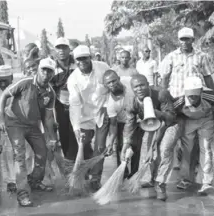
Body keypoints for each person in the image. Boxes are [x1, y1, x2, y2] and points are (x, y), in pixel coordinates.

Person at [0, 58, 59, 207]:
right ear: (38, 69)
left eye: (49, 71)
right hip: (15, 123)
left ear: (53, 73)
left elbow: (49, 117)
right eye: (43, 69)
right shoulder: (25, 83)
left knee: (42, 153)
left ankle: (34, 181)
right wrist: (0, 118)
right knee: (20, 156)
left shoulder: (50, 93)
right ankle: (22, 194)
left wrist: (51, 138)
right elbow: (4, 95)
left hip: (33, 126)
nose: (46, 73)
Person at [105, 73, 175, 200]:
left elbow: (171, 118)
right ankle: (150, 179)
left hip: (170, 124)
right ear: (132, 89)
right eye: (136, 87)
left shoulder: (161, 94)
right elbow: (129, 125)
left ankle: (160, 183)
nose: (139, 89)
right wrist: (126, 144)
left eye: (142, 85)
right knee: (146, 153)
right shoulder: (132, 102)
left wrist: (158, 113)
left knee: (164, 149)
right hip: (151, 124)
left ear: (148, 85)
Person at [159, 27, 214, 176]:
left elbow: (208, 77)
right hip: (176, 102)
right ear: (179, 41)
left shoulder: (201, 56)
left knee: (192, 139)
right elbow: (164, 79)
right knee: (175, 136)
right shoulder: (171, 57)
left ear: (192, 40)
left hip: (195, 102)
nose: (184, 42)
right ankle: (173, 167)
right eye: (182, 39)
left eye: (187, 39)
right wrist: (164, 101)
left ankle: (192, 168)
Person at [173, 76, 214, 194]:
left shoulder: (211, 96)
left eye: (195, 95)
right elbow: (174, 116)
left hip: (206, 120)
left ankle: (206, 181)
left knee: (206, 148)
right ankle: (185, 178)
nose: (192, 98)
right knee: (188, 149)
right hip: (188, 121)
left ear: (201, 92)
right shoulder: (178, 101)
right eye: (189, 95)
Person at [67, 45, 111, 191]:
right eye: (78, 60)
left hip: (102, 111)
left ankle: (95, 178)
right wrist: (76, 127)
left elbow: (113, 83)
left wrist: (111, 106)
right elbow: (74, 104)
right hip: (84, 116)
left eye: (84, 58)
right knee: (83, 144)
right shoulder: (73, 79)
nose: (82, 62)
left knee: (100, 147)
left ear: (90, 57)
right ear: (75, 61)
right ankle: (83, 173)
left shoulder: (103, 67)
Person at [50, 37, 78, 160]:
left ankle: (81, 164)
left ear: (69, 49)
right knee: (64, 135)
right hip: (59, 107)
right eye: (58, 48)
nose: (61, 51)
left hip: (77, 105)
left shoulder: (76, 65)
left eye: (64, 47)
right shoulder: (51, 67)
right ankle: (69, 163)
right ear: (55, 50)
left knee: (79, 135)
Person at [0, 65, 16, 192]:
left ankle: (28, 176)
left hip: (21, 124)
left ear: (12, 78)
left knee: (26, 153)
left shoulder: (19, 87)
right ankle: (11, 180)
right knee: (8, 153)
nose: (3, 84)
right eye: (0, 81)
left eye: (5, 80)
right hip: (5, 126)